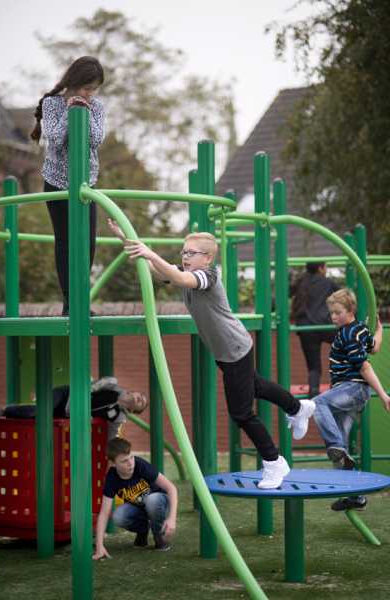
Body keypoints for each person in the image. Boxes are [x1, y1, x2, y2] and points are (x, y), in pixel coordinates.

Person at [108, 223, 316, 489]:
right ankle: (299, 407)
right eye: (183, 252)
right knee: (256, 386)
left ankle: (274, 461)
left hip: (234, 348)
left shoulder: (208, 276)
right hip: (226, 350)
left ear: (207, 257)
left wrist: (151, 253)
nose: (185, 257)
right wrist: (125, 238)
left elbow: (181, 278)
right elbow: (154, 268)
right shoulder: (184, 271)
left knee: (241, 413)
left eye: (191, 253)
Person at [30, 56, 105, 315]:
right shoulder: (52, 104)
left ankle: (81, 298)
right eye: (86, 88)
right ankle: (70, 302)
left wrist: (83, 109)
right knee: (65, 240)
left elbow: (95, 140)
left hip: (87, 183)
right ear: (74, 83)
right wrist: (71, 111)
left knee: (88, 241)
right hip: (57, 182)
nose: (89, 93)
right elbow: (55, 139)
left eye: (93, 89)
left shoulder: (95, 106)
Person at [313, 288, 390, 511]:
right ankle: (354, 496)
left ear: (351, 310)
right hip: (350, 392)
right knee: (342, 453)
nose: (333, 317)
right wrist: (380, 330)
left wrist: (383, 395)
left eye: (338, 312)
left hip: (352, 389)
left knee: (319, 403)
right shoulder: (359, 330)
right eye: (331, 313)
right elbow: (374, 347)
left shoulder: (348, 334)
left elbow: (365, 366)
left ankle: (336, 446)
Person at [93, 438, 178, 559]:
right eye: (124, 461)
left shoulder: (140, 465)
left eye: (131, 457)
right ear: (113, 463)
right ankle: (142, 530)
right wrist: (99, 546)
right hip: (139, 507)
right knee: (118, 516)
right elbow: (104, 513)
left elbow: (171, 488)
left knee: (152, 500)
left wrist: (172, 518)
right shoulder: (112, 478)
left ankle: (159, 536)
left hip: (160, 503)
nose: (130, 463)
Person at [291, 262, 339, 398]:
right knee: (344, 347)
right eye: (325, 267)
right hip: (325, 326)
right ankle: (337, 384)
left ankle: (313, 391)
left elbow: (284, 292)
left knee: (314, 367)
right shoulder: (327, 282)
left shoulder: (301, 282)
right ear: (320, 268)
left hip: (306, 327)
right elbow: (344, 297)